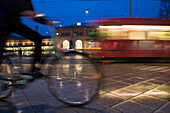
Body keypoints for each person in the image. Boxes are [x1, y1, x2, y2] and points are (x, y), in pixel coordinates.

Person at [0, 0, 54, 78]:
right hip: (3, 23)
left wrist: (46, 22)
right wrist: (22, 11)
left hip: (13, 23)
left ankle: (35, 69)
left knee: (38, 38)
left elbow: (33, 14)